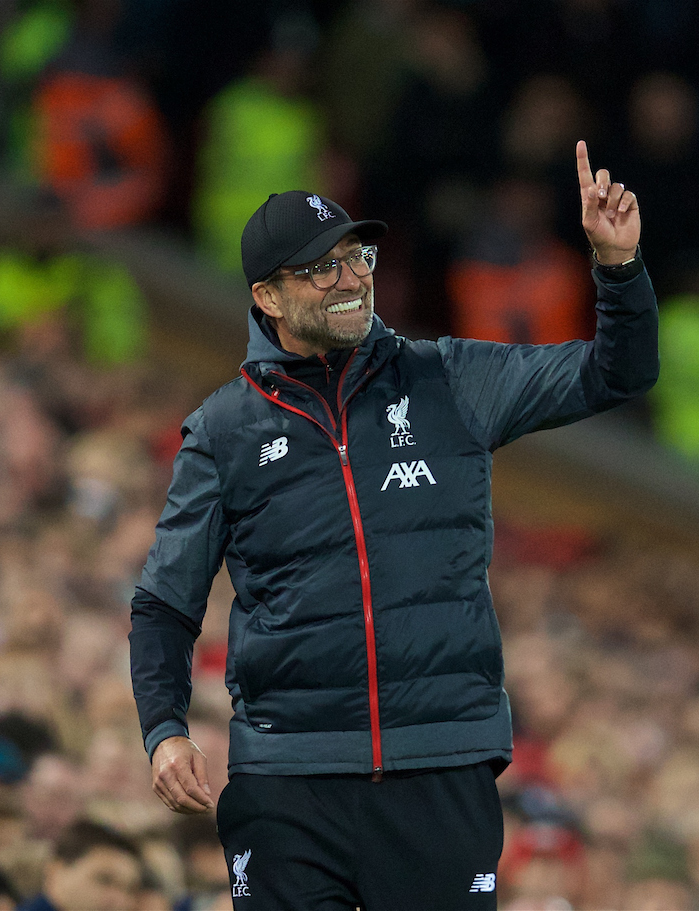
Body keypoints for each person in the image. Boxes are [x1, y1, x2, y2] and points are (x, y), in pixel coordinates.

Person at [129, 141, 657, 909]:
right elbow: (165, 602)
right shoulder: (223, 431)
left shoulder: (451, 377)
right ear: (268, 297)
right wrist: (163, 728)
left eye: (357, 257)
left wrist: (619, 268)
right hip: (288, 781)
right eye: (321, 269)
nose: (350, 280)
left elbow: (619, 372)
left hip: (440, 768)